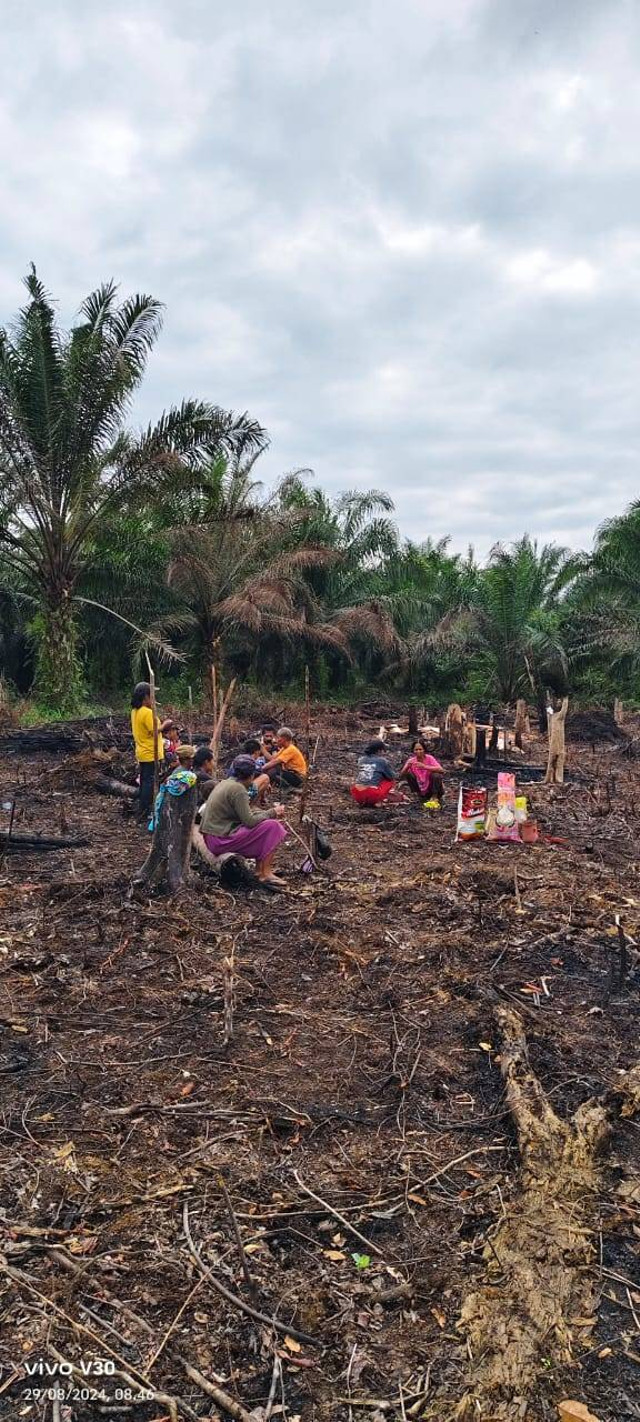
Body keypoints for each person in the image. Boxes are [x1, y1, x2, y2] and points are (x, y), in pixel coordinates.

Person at [199, 755, 288, 885]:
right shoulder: (238, 789)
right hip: (220, 840)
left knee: (265, 824)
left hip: (212, 838)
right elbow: (250, 821)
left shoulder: (226, 783)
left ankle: (260, 870)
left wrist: (265, 814)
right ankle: (266, 873)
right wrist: (273, 812)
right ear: (251, 776)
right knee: (273, 826)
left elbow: (244, 814)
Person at [131, 682, 165, 820]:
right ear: (146, 697)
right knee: (150, 783)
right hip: (151, 753)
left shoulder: (135, 711)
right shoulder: (147, 712)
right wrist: (166, 725)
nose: (153, 698)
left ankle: (143, 808)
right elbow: (155, 731)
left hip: (142, 752)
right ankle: (147, 810)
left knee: (145, 781)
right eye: (151, 695)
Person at [350, 739, 396, 806]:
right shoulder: (382, 761)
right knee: (390, 781)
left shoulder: (361, 759)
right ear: (379, 751)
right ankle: (379, 799)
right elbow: (392, 776)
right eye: (383, 750)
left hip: (356, 794)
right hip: (371, 794)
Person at [398, 741, 444, 805]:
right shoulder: (411, 761)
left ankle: (434, 796)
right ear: (413, 751)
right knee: (408, 774)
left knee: (436, 775)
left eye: (420, 749)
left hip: (433, 788)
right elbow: (401, 776)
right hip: (421, 787)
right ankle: (420, 794)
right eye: (416, 750)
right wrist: (407, 767)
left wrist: (425, 767)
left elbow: (441, 770)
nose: (418, 751)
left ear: (424, 750)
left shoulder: (429, 758)